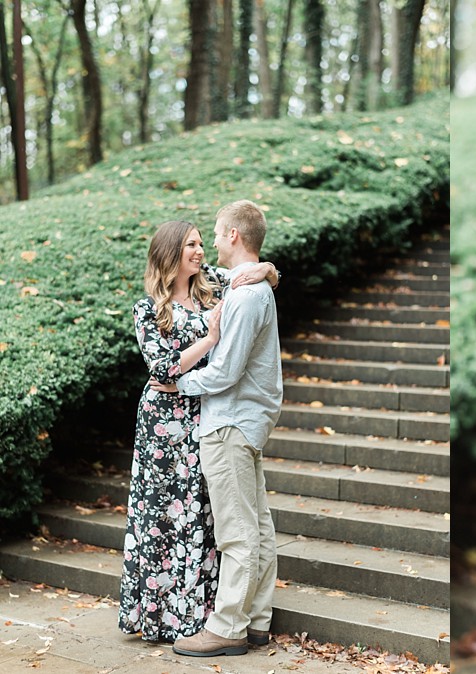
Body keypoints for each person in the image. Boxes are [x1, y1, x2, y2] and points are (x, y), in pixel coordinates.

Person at [119, 220, 279, 643]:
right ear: (170, 252)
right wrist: (209, 340)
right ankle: (162, 616)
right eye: (190, 244)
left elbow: (256, 272)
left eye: (201, 242)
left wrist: (269, 268)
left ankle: (204, 615)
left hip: (208, 412)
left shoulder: (214, 286)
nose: (200, 250)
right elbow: (161, 370)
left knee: (205, 517)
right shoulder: (146, 309)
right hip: (164, 422)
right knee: (164, 516)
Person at [158, 200, 284, 658]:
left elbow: (226, 370)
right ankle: (257, 621)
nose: (209, 243)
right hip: (244, 421)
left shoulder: (249, 294)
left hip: (229, 421)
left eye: (214, 233)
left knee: (237, 532)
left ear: (233, 235)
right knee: (260, 529)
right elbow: (200, 267)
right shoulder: (246, 284)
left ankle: (229, 625)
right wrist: (270, 268)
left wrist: (179, 382)